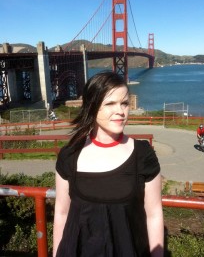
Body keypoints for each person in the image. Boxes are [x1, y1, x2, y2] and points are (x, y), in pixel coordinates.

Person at [53, 71, 164, 257]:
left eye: (125, 103)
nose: (120, 111)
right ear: (92, 106)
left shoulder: (143, 155)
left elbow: (154, 215)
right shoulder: (69, 155)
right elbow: (62, 213)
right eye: (110, 103)